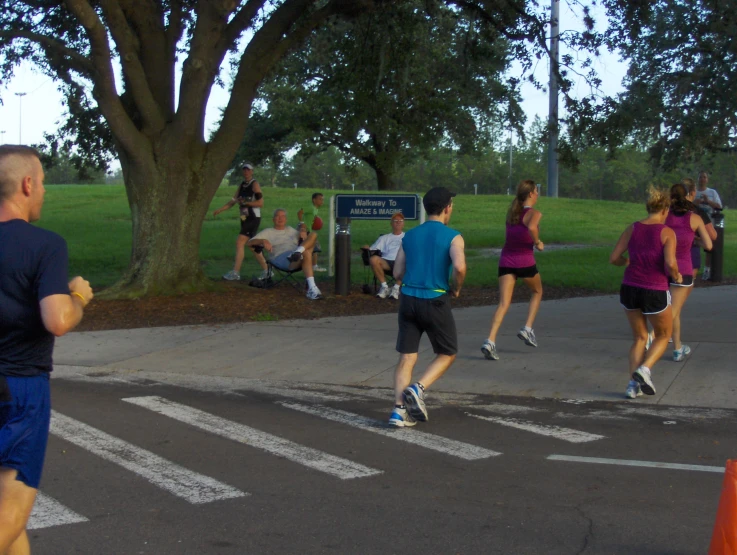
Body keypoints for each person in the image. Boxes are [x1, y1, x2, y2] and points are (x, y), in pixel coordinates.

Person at [0, 145, 93, 553]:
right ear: (26, 184)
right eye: (42, 182)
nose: (44, 191)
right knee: (10, 511)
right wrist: (78, 298)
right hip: (19, 388)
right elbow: (57, 320)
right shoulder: (45, 245)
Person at [388, 187, 466, 426]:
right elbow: (460, 267)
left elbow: (397, 272)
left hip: (408, 300)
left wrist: (408, 282)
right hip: (435, 299)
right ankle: (418, 389)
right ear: (447, 208)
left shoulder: (409, 236)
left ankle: (398, 412)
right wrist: (457, 287)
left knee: (407, 357)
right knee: (447, 353)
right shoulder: (453, 236)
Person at [610, 187, 681, 399]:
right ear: (665, 209)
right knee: (663, 335)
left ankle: (633, 385)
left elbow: (614, 258)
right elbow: (670, 263)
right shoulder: (667, 232)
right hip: (654, 290)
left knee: (640, 337)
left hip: (629, 288)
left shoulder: (632, 228)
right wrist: (676, 276)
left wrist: (628, 261)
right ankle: (645, 369)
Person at [480, 180, 544, 361]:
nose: (538, 194)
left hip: (506, 261)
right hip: (524, 261)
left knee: (503, 303)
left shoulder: (512, 213)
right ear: (531, 193)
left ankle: (490, 341)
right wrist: (538, 243)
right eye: (536, 191)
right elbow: (531, 227)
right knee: (537, 291)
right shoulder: (534, 213)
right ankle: (527, 328)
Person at [664, 183, 712, 361]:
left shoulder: (664, 216)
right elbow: (708, 245)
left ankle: (677, 349)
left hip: (663, 268)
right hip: (683, 270)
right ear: (688, 195)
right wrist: (694, 241)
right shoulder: (694, 218)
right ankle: (650, 338)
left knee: (674, 310)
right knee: (673, 311)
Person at [247, 208, 323, 300]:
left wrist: (303, 230)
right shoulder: (268, 232)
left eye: (283, 216)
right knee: (306, 252)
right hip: (281, 258)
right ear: (273, 219)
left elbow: (305, 235)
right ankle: (312, 288)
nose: (280, 218)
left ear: (286, 219)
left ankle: (298, 252)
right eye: (277, 216)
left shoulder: (290, 230)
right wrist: (263, 240)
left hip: (296, 256)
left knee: (313, 235)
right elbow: (250, 243)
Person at [213, 163, 268, 281]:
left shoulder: (255, 184)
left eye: (248, 170)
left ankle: (235, 272)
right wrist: (220, 210)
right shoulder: (242, 185)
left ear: (252, 171)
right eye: (244, 170)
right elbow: (233, 201)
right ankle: (267, 270)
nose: (246, 172)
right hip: (244, 217)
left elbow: (260, 203)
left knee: (240, 242)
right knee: (253, 245)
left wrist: (247, 203)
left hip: (253, 217)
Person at [362, 212, 406, 300]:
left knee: (409, 261)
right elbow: (372, 250)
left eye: (400, 221)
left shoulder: (408, 237)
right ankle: (384, 287)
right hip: (387, 262)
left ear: (403, 224)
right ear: (391, 223)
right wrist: (367, 248)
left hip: (402, 263)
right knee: (374, 259)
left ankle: (396, 288)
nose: (398, 222)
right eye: (395, 220)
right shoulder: (385, 238)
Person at [683, 178, 718, 278]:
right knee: (684, 288)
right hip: (689, 256)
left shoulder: (668, 210)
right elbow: (713, 235)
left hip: (669, 255)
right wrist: (696, 239)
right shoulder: (697, 213)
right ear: (693, 192)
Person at [692, 171, 722, 280]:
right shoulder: (693, 192)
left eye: (704, 177)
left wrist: (708, 201)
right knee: (694, 244)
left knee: (709, 247)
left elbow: (719, 206)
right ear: (697, 179)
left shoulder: (712, 192)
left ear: (707, 179)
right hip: (694, 224)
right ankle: (693, 269)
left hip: (708, 223)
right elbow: (686, 206)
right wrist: (694, 203)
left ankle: (706, 270)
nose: (702, 179)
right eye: (700, 177)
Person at [297, 193, 326, 273]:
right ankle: (314, 266)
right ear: (314, 200)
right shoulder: (310, 207)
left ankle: (307, 265)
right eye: (320, 199)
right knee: (314, 248)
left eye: (322, 199)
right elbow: (299, 213)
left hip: (308, 230)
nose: (322, 201)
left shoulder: (315, 209)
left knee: (307, 248)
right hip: (304, 230)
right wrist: (302, 224)